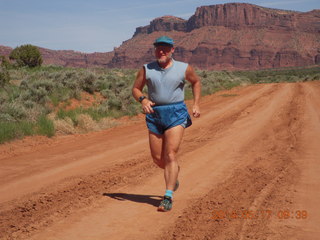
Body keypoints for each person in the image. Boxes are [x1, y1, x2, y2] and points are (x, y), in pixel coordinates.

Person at [132, 36, 201, 212]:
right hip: (155, 114)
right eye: (158, 48)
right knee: (157, 158)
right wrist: (143, 100)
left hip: (176, 113)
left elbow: (196, 82)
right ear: (155, 50)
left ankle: (168, 196)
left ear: (172, 50)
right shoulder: (147, 69)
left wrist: (196, 103)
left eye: (165, 48)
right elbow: (136, 88)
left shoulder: (184, 68)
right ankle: (173, 174)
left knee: (170, 154)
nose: (161, 51)